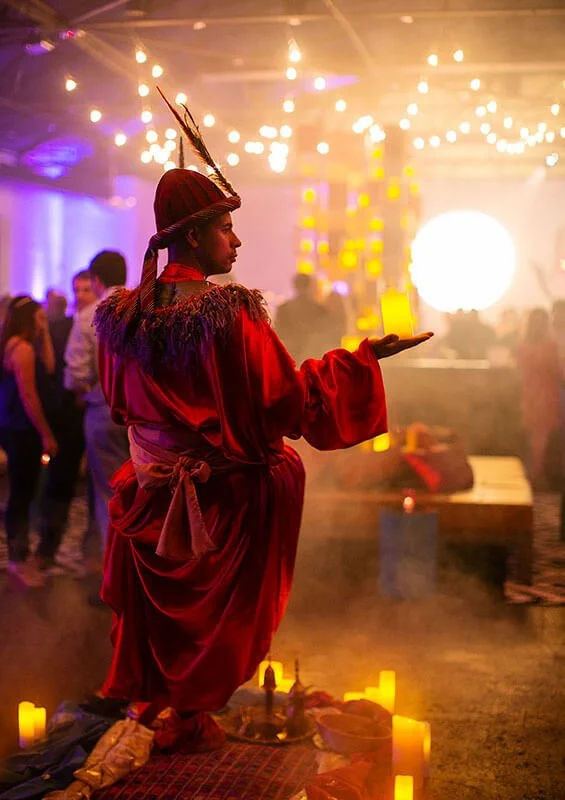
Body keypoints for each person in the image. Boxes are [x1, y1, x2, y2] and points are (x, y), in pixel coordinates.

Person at [92, 131, 432, 753]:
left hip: (150, 496)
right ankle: (191, 717)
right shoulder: (230, 313)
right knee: (272, 474)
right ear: (193, 235)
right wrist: (359, 360)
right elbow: (285, 403)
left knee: (169, 629)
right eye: (227, 228)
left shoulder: (121, 315)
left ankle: (180, 717)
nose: (237, 240)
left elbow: (122, 407)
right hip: (218, 504)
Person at [64, 253, 130, 566]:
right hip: (145, 416)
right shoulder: (143, 310)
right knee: (144, 493)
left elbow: (76, 376)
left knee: (109, 496)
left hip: (103, 412)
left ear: (97, 281)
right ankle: (142, 576)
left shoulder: (88, 316)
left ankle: (113, 574)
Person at [35, 271, 96, 572]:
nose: (82, 295)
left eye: (86, 289)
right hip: (69, 418)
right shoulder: (63, 328)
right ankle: (47, 549)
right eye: (77, 289)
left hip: (96, 414)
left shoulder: (100, 325)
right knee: (60, 484)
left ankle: (95, 557)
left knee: (101, 489)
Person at [0, 296, 58, 587]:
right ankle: (17, 560)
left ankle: (18, 557)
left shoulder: (18, 345)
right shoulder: (20, 349)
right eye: (39, 317)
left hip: (16, 429)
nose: (42, 321)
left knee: (23, 493)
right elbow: (29, 397)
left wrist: (45, 331)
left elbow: (48, 366)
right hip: (22, 431)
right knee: (22, 495)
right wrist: (46, 434)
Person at [517, 307, 561, 489]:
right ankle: (537, 474)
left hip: (529, 393)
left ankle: (534, 472)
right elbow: (557, 371)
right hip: (546, 394)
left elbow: (519, 370)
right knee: (541, 437)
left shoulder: (523, 345)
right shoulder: (549, 346)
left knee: (534, 436)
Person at [274, 273, 329, 363]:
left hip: (291, 353)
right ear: (310, 286)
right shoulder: (319, 310)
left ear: (295, 286)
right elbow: (325, 333)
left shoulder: (284, 308)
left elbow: (279, 331)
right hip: (313, 354)